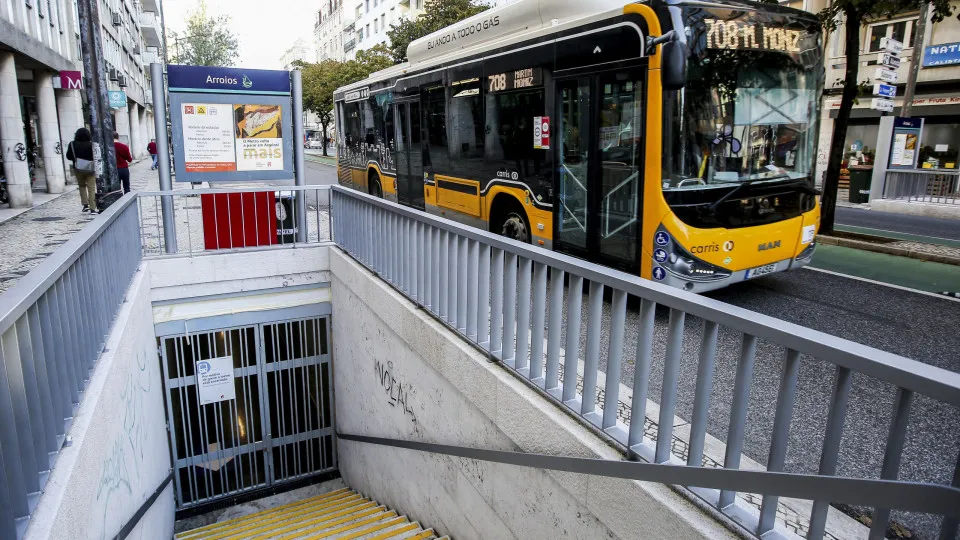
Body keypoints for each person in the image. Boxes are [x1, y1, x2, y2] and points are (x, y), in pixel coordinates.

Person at [66, 128, 97, 213]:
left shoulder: (72, 144)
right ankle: (93, 207)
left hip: (78, 168)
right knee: (91, 187)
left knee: (82, 186)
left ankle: (85, 204)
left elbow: (68, 156)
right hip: (90, 168)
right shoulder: (92, 145)